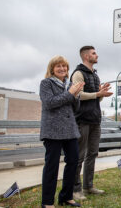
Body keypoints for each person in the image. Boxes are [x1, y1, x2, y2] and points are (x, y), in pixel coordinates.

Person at [40, 55, 84, 207]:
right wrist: (70, 93)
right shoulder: (46, 83)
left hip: (70, 130)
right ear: (52, 69)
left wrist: (76, 96)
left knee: (73, 162)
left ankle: (66, 197)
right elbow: (50, 103)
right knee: (52, 166)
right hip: (52, 130)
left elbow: (76, 109)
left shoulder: (70, 85)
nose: (62, 69)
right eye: (58, 66)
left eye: (64, 66)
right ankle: (47, 202)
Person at [71, 46, 113, 200]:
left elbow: (97, 98)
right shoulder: (78, 73)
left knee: (93, 154)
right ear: (86, 56)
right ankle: (75, 190)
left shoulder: (95, 76)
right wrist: (97, 93)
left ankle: (88, 186)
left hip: (95, 119)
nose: (97, 55)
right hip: (82, 119)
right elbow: (77, 95)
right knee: (79, 156)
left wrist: (101, 93)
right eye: (94, 53)